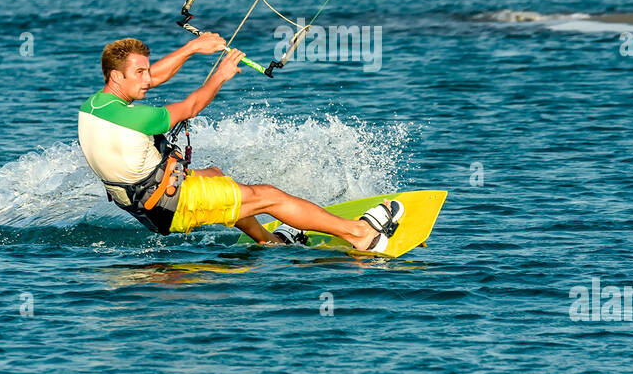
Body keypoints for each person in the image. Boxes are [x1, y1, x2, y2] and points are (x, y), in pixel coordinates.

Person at [77, 35, 404, 252]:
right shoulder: (139, 118)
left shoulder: (95, 104)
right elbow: (191, 107)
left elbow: (154, 76)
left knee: (218, 176)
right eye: (140, 74)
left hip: (142, 203)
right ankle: (360, 236)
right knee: (269, 197)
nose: (148, 80)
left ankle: (269, 242)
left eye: (147, 70)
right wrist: (221, 74)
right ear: (117, 76)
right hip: (172, 205)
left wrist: (193, 48)